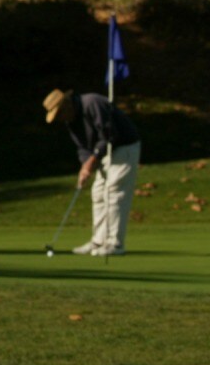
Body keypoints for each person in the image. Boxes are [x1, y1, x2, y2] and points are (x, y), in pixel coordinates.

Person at [42, 88, 141, 256]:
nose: (59, 119)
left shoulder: (92, 103)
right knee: (97, 193)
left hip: (124, 146)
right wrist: (84, 166)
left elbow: (109, 136)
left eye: (59, 114)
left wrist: (92, 162)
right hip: (104, 151)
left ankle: (114, 244)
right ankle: (99, 241)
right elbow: (82, 147)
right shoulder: (71, 120)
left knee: (114, 191)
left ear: (67, 106)